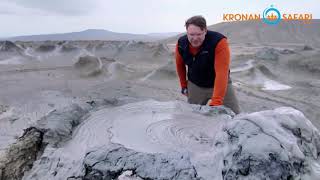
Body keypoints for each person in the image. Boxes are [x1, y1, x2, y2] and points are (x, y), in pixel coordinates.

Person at [175, 15, 240, 114]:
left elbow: (222, 72)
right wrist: (184, 86)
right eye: (191, 35)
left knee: (235, 115)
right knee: (193, 116)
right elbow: (180, 66)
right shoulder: (181, 43)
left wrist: (216, 102)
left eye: (199, 34)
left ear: (205, 31)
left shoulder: (218, 41)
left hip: (220, 84)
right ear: (187, 32)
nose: (195, 38)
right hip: (195, 84)